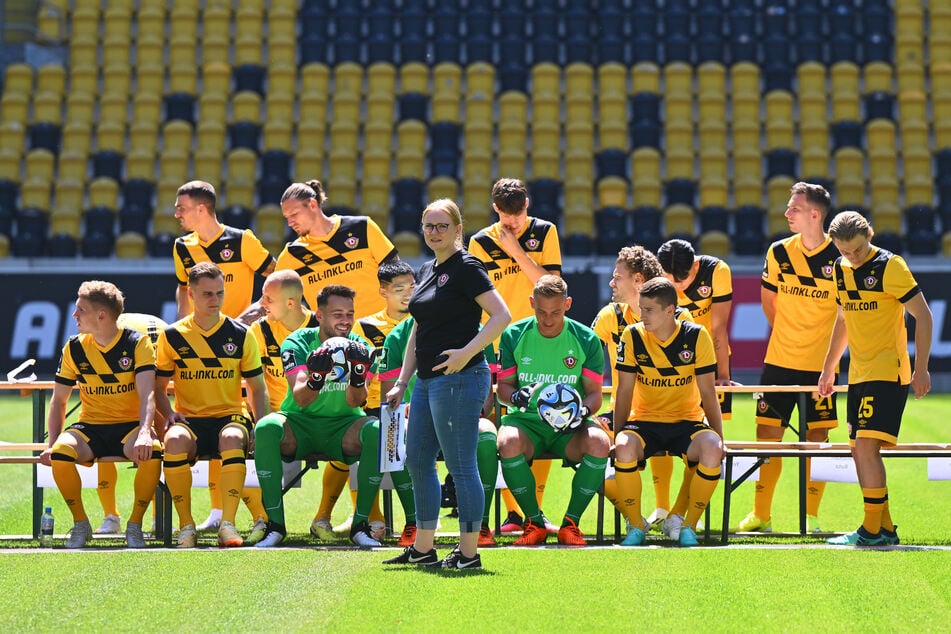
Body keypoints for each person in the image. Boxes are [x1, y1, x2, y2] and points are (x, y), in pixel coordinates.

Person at [383, 198, 510, 570]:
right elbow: (418, 329)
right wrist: (402, 381)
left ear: (458, 230)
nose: (434, 232)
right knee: (418, 461)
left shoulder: (468, 267)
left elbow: (501, 315)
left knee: (460, 465)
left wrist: (465, 354)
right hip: (425, 381)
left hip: (459, 378)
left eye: (441, 226)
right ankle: (423, 547)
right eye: (428, 226)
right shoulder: (425, 269)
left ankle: (469, 554)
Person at [819, 211, 933, 546]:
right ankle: (884, 527)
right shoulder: (841, 270)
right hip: (859, 374)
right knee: (859, 450)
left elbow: (923, 316)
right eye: (844, 251)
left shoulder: (890, 266)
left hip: (887, 372)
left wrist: (921, 368)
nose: (851, 257)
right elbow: (842, 319)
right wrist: (829, 367)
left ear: (869, 234)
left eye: (856, 249)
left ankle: (870, 531)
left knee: (866, 447)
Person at [737, 182, 841, 534]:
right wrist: (790, 334)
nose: (786, 213)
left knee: (818, 441)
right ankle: (760, 514)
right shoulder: (778, 252)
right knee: (767, 438)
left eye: (794, 208)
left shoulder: (839, 259)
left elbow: (845, 315)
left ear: (815, 214)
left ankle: (810, 517)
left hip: (821, 368)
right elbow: (769, 301)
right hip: (779, 362)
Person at [172, 180, 275, 533]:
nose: (176, 214)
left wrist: (252, 312)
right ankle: (219, 512)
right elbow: (183, 291)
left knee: (233, 423)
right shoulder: (181, 247)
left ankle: (259, 512)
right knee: (215, 423)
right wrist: (180, 327)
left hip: (239, 342)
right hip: (199, 344)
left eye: (181, 207)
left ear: (202, 209)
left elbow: (274, 277)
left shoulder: (242, 239)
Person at [253, 285, 384, 548]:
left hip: (343, 426)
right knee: (266, 426)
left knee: (376, 431)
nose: (345, 321)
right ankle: (275, 526)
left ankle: (361, 527)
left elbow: (357, 402)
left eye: (350, 314)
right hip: (300, 424)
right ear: (319, 315)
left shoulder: (361, 346)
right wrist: (317, 376)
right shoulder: (297, 342)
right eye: (337, 314)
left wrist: (357, 375)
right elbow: (301, 398)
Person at [467, 177, 562, 534]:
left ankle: (533, 507)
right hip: (495, 343)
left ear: (527, 206)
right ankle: (512, 513)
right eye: (506, 218)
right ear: (496, 210)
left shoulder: (544, 232)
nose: (514, 224)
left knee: (544, 417)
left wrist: (516, 250)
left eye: (518, 215)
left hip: (540, 341)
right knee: (501, 421)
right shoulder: (479, 242)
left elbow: (550, 287)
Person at [154, 263, 270, 548]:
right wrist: (169, 414)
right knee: (175, 441)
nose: (215, 300)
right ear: (191, 294)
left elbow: (257, 387)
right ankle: (186, 526)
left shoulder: (242, 333)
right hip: (190, 420)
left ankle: (227, 526)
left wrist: (262, 426)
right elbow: (156, 389)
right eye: (207, 294)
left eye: (219, 293)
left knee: (231, 437)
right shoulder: (172, 335)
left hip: (230, 416)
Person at [40, 282, 163, 548]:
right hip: (90, 428)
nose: (74, 316)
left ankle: (135, 526)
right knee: (60, 453)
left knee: (152, 451)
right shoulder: (73, 347)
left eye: (80, 310)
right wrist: (52, 445)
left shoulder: (137, 343)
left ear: (101, 315)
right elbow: (59, 401)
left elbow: (148, 395)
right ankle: (81, 525)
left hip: (129, 428)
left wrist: (144, 431)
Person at [496, 275, 610, 546]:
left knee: (599, 442)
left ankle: (571, 524)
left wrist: (582, 413)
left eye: (556, 312)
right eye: (541, 312)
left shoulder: (587, 339)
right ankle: (533, 522)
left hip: (570, 428)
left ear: (568, 304)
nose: (548, 319)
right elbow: (503, 389)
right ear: (531, 303)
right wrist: (516, 397)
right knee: (507, 442)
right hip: (528, 422)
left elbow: (595, 395)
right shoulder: (513, 335)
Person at [311, 261, 418, 545]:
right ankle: (370, 516)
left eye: (411, 287)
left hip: (415, 406)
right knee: (353, 445)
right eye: (398, 289)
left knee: (396, 441)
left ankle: (412, 520)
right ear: (383, 291)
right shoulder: (366, 326)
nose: (407, 294)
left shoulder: (425, 322)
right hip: (370, 406)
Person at [613, 278, 725, 548]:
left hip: (686, 422)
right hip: (644, 421)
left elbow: (708, 393)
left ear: (669, 310)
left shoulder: (697, 336)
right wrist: (617, 435)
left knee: (712, 449)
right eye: (641, 308)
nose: (642, 315)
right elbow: (624, 391)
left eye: (649, 309)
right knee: (623, 448)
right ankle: (637, 525)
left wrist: (721, 440)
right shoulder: (632, 335)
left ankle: (686, 525)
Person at [591, 245, 693, 531]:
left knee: (704, 451)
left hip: (671, 414)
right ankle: (634, 517)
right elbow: (584, 355)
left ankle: (675, 516)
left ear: (638, 280)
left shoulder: (681, 319)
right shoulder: (610, 316)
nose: (612, 282)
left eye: (617, 277)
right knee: (582, 447)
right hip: (626, 414)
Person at [380, 315, 501, 547]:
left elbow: (486, 395)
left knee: (486, 435)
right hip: (413, 416)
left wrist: (466, 411)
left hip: (462, 412)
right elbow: (390, 395)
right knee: (391, 434)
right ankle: (413, 524)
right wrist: (407, 405)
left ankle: (480, 528)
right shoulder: (397, 336)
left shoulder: (476, 330)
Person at [254, 180, 398, 320]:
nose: (290, 223)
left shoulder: (362, 227)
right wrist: (238, 325)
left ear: (312, 204)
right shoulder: (292, 254)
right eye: (287, 218)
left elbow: (397, 273)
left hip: (381, 332)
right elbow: (268, 302)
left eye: (294, 214)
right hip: (333, 341)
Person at [247, 270, 319, 543]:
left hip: (317, 415)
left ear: (291, 303)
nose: (261, 303)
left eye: (268, 298)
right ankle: (262, 518)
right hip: (277, 416)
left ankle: (324, 516)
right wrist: (260, 421)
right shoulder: (260, 330)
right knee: (238, 440)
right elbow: (257, 384)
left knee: (356, 440)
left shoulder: (319, 327)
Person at [92, 312, 168, 536]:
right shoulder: (120, 335)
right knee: (102, 432)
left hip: (146, 380)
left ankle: (158, 517)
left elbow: (158, 388)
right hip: (117, 401)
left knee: (159, 446)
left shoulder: (163, 339)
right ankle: (113, 516)